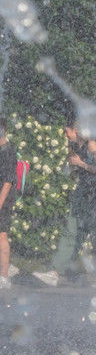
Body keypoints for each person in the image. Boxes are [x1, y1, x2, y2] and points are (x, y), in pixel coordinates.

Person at [34, 124, 96, 287]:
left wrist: (80, 163)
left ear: (76, 129)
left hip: (95, 197)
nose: (65, 135)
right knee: (72, 232)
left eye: (66, 131)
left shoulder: (91, 144)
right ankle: (56, 271)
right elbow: (73, 171)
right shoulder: (73, 146)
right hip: (82, 194)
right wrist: (71, 166)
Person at [0, 120, 16, 289]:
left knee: (1, 235)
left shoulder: (8, 151)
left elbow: (8, 181)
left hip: (3, 198)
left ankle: (4, 276)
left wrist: (0, 202)